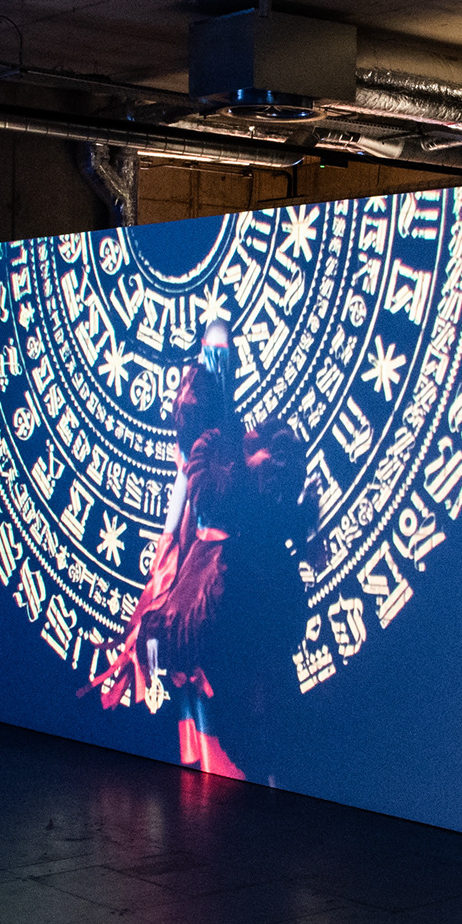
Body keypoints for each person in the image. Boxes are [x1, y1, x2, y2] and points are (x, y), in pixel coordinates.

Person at [95, 318, 311, 778]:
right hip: (216, 633)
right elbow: (173, 549)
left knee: (245, 748)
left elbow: (176, 549)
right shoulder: (212, 461)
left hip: (231, 624)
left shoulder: (222, 461)